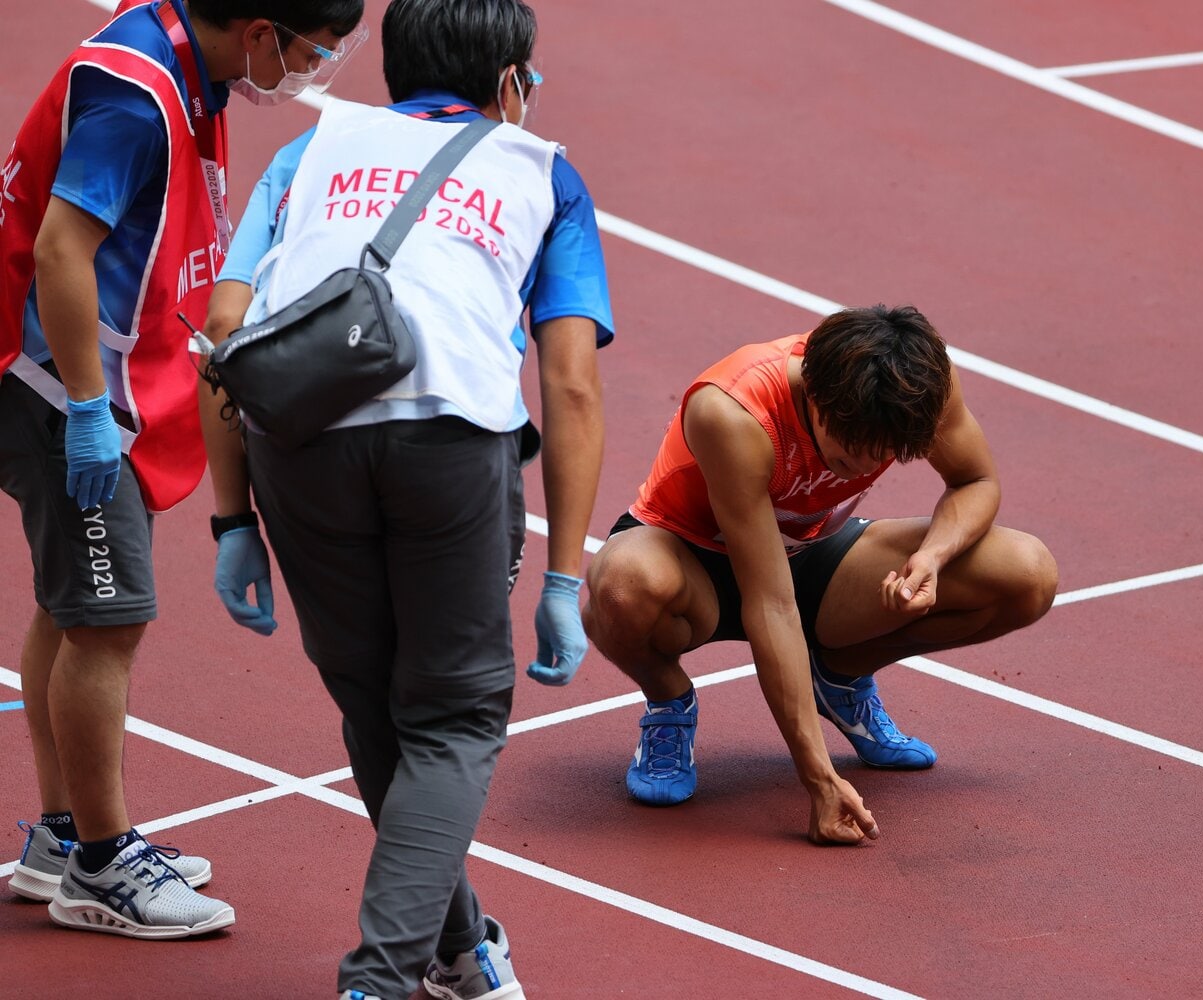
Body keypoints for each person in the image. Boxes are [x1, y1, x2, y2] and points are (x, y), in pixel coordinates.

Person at [197, 0, 612, 995]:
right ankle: (377, 979)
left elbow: (224, 324)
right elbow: (569, 382)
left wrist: (231, 519)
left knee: (379, 708)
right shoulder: (541, 168)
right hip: (449, 436)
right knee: (459, 718)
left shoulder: (313, 146)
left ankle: (462, 953)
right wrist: (565, 573)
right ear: (511, 80)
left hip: (297, 441)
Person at [0, 0, 365, 938]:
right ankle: (102, 866)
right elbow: (59, 249)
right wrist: (84, 406)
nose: (312, 70)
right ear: (255, 30)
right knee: (108, 623)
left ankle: (62, 835)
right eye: (311, 51)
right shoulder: (138, 95)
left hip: (69, 367)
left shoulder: (175, 41)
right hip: (58, 377)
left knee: (72, 606)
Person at [583, 305, 1057, 844]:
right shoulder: (734, 410)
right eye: (852, 447)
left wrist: (932, 557)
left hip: (809, 551)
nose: (864, 465)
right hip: (690, 559)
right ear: (816, 394)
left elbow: (975, 481)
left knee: (1027, 573)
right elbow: (771, 603)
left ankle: (841, 676)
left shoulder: (920, 383)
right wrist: (818, 778)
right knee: (622, 584)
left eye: (885, 454)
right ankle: (669, 700)